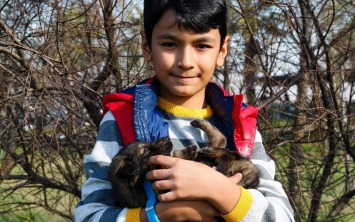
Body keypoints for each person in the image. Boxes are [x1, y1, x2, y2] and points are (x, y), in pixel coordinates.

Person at [74, 0, 295, 221]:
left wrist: (221, 191)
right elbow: (89, 215)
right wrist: (161, 215)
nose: (185, 61)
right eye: (170, 44)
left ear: (222, 50)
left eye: (202, 45)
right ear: (146, 46)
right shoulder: (122, 119)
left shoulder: (241, 126)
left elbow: (282, 216)